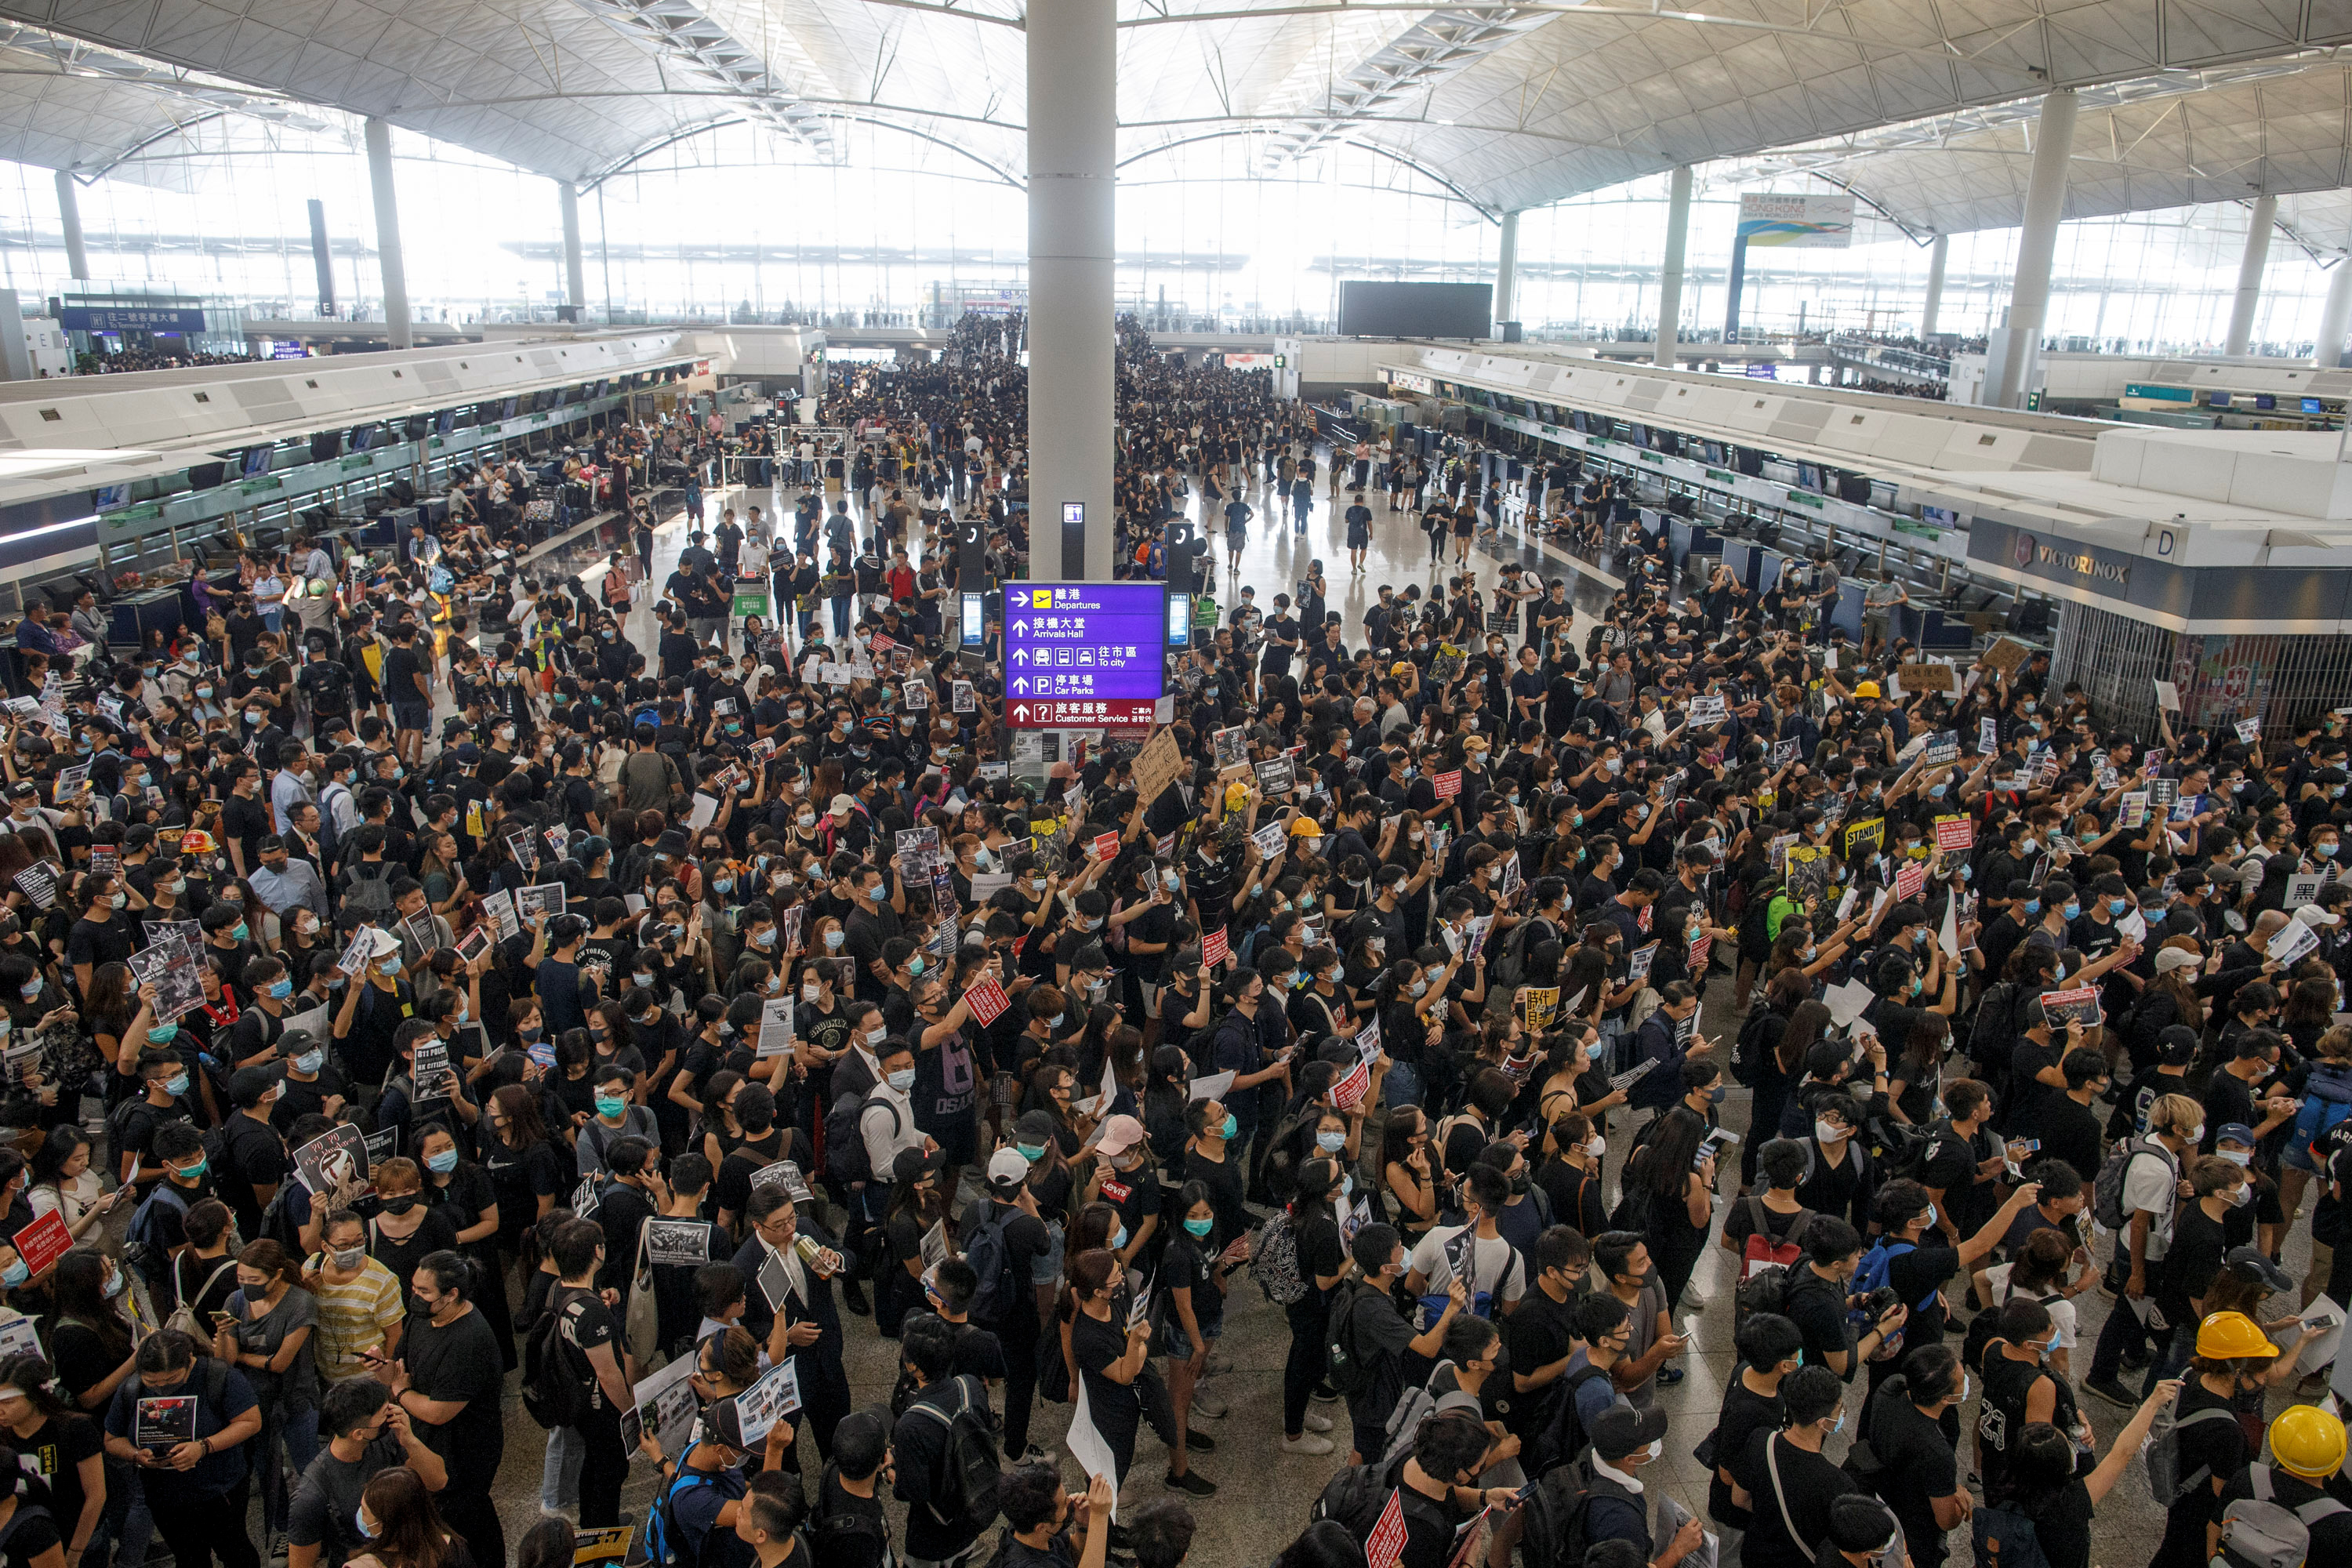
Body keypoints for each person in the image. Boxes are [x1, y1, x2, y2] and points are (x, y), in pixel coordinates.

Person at [100, 1330, 264, 1568]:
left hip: (219, 1488)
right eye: (153, 1383)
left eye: (172, 1380)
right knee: (189, 1558)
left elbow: (251, 1421)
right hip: (165, 1496)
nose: (162, 1388)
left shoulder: (218, 1376)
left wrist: (204, 1447)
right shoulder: (131, 1389)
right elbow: (111, 1439)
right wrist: (137, 1455)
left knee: (235, 1551)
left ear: (189, 1360)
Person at [1975, 1382, 2179, 1568]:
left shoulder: (2001, 1486)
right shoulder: (2071, 1502)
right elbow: (2121, 1454)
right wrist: (2152, 1403)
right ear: (2060, 1465)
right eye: (2070, 1447)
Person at [389, 1251, 506, 1568]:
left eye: (424, 1291)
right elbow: (401, 1364)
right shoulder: (422, 1317)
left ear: (452, 1294)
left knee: (461, 1521)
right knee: (472, 1515)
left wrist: (401, 1392)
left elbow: (438, 1411)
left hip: (465, 1450)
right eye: (414, 1287)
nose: (415, 1296)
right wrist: (382, 1367)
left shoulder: (469, 1341)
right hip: (431, 1441)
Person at [287, 1377, 452, 1568]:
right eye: (385, 1413)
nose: (393, 1414)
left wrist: (410, 1441)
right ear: (358, 1433)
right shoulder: (313, 1493)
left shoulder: (387, 1437)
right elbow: (301, 1564)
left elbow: (438, 1481)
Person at [541, 1220, 634, 1530]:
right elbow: (608, 1374)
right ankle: (606, 1535)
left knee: (592, 1463)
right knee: (611, 1469)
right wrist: (629, 1412)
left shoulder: (557, 1289)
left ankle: (591, 1523)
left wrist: (599, 1298)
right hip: (602, 1406)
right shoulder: (592, 1313)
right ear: (598, 1251)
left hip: (575, 1397)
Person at [1732, 1365, 1853, 1568]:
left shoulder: (1761, 1440)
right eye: (1839, 1408)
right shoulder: (1838, 1483)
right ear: (1823, 1422)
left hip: (1755, 1554)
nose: (1842, 1413)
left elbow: (1739, 1499)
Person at [1864, 1345, 1970, 1568]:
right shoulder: (1937, 1452)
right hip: (1915, 1535)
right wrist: (1958, 1502)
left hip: (1879, 1499)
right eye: (1961, 1380)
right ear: (1944, 1397)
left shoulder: (1890, 1388)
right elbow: (1946, 1520)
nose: (1966, 1383)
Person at [0, 1355, 104, 1568]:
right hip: (25, 1543)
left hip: (77, 1539)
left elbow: (96, 1496)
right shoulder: (2, 1435)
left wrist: (75, 1553)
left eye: (8, 1402)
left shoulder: (75, 1429)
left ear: (35, 1396)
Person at [347, 1466, 470, 1568]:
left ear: (386, 1523)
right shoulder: (451, 1548)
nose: (361, 1516)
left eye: (364, 1511)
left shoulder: (364, 1565)